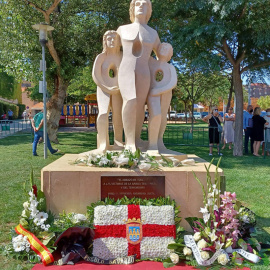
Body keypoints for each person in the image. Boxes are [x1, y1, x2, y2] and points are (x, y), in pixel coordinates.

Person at [117, 0, 161, 152]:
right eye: (137, 4)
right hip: (125, 70)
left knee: (140, 105)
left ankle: (136, 138)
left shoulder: (153, 33)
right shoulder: (122, 30)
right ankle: (129, 142)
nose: (141, 6)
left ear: (149, 9)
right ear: (132, 8)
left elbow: (161, 55)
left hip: (144, 72)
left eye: (145, 4)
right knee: (130, 100)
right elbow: (112, 50)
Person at [92, 30, 123, 152]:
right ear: (105, 41)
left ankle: (118, 142)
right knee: (103, 113)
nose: (112, 41)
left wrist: (120, 87)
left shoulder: (122, 56)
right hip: (103, 89)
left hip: (119, 90)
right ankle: (103, 143)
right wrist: (106, 87)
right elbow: (95, 75)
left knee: (118, 116)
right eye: (109, 39)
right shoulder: (101, 57)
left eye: (114, 39)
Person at [147, 42, 177, 154]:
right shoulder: (151, 63)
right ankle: (152, 143)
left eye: (167, 48)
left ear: (170, 54)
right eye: (162, 47)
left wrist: (159, 90)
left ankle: (159, 140)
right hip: (152, 93)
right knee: (155, 115)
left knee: (163, 116)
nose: (164, 49)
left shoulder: (170, 67)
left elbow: (173, 82)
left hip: (165, 94)